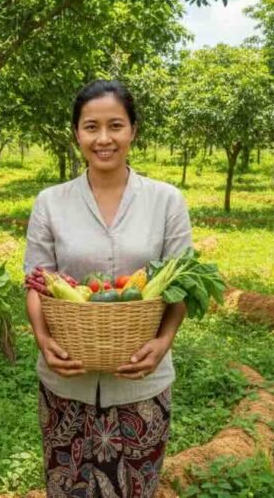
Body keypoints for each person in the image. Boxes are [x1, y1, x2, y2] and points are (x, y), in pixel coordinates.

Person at [23, 79, 193, 497]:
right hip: (67, 380)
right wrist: (43, 340)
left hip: (141, 379)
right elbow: (36, 281)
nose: (103, 139)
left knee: (136, 488)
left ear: (133, 130)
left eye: (115, 126)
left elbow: (181, 283)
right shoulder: (51, 202)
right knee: (67, 488)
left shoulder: (166, 201)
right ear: (75, 134)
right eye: (90, 127)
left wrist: (163, 343)